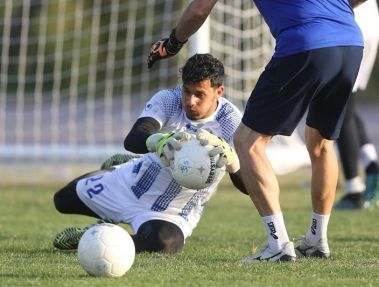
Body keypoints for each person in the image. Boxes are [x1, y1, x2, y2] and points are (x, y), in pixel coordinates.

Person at [147, 0, 365, 262]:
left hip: (305, 42)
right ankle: (317, 240)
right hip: (351, 41)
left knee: (248, 142)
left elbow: (198, 10)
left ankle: (278, 245)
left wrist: (171, 44)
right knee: (321, 142)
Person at [53, 53, 245, 253]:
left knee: (164, 244)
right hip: (130, 185)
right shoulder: (169, 99)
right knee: (62, 200)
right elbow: (134, 138)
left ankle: (93, 238)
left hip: (172, 212)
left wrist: (234, 163)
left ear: (219, 91)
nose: (190, 101)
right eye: (186, 91)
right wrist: (159, 141)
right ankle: (121, 168)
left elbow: (249, 187)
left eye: (199, 94)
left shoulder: (231, 122)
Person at [334, 0, 379, 210]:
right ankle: (372, 165)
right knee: (346, 103)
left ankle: (354, 190)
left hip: (348, 24)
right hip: (369, 22)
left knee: (338, 108)